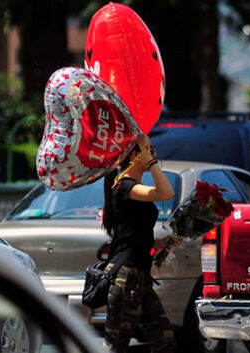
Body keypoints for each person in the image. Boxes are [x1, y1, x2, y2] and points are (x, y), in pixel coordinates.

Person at [102, 134, 179, 353]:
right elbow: (166, 192)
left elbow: (133, 231)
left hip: (139, 278)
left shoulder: (133, 186)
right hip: (127, 278)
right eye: (149, 150)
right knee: (115, 346)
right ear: (135, 155)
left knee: (165, 342)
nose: (154, 154)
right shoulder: (125, 185)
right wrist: (152, 164)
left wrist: (162, 241)